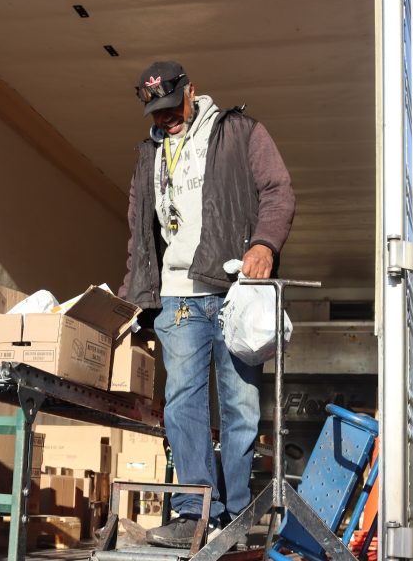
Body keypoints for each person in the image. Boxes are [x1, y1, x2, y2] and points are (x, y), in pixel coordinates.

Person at [119, 61, 295, 548]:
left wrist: (264, 244)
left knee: (240, 407)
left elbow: (278, 190)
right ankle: (194, 512)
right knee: (182, 404)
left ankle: (235, 515)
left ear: (191, 92)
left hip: (233, 290)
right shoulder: (146, 155)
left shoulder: (239, 132)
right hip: (176, 297)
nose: (165, 121)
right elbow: (140, 233)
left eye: (172, 109)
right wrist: (133, 294)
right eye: (155, 114)